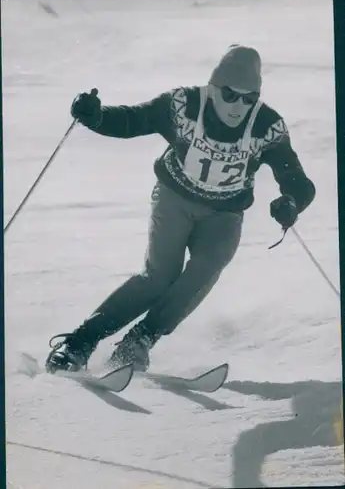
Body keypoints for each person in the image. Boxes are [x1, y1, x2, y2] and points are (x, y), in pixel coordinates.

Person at [45, 44, 316, 374]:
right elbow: (132, 120)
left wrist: (291, 202)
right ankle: (78, 344)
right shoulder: (183, 105)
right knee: (159, 277)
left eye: (249, 97)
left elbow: (297, 179)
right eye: (230, 94)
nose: (238, 105)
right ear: (213, 87)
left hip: (224, 214)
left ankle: (139, 341)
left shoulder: (267, 125)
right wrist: (96, 116)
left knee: (206, 269)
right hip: (175, 199)